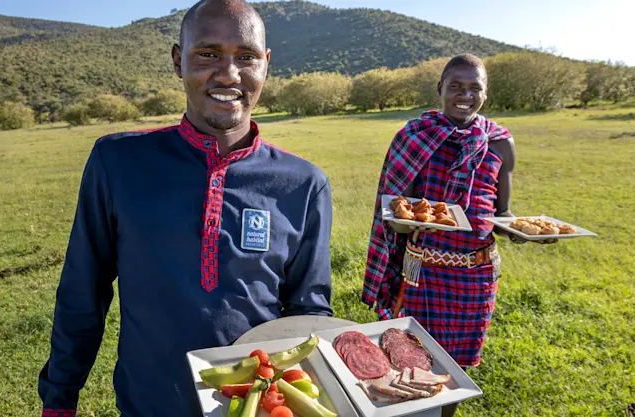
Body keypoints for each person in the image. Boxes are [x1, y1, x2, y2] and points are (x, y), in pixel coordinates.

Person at [38, 1, 334, 416]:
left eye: (246, 57)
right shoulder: (118, 161)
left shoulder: (303, 183)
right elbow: (82, 292)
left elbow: (308, 311)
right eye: (208, 54)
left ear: (265, 65)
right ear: (179, 61)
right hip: (149, 401)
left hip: (253, 405)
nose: (229, 73)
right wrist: (59, 397)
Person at [361, 54, 553, 417]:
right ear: (440, 90)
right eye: (456, 86)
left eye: (474, 88)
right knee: (410, 357)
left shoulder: (499, 143)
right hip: (422, 273)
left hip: (475, 276)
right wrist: (408, 224)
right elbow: (396, 206)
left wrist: (520, 232)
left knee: (455, 365)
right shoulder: (415, 137)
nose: (464, 95)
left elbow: (502, 212)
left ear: (485, 93)